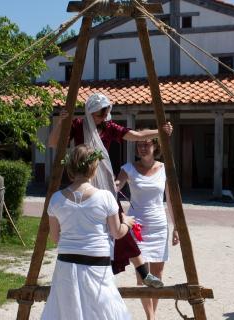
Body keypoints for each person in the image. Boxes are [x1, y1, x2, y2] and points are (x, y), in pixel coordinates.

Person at [48, 93, 172, 287]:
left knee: (120, 223)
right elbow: (54, 143)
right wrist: (60, 122)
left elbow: (136, 136)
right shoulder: (78, 125)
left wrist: (160, 132)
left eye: (105, 113)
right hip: (81, 178)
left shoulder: (109, 127)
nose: (102, 118)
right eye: (99, 114)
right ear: (90, 113)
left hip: (103, 180)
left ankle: (143, 273)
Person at [41, 145, 132, 320]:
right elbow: (117, 232)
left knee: (68, 311)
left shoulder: (56, 198)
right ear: (94, 168)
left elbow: (55, 237)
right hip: (97, 263)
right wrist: (127, 223)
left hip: (66, 264)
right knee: (101, 311)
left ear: (70, 168)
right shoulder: (105, 197)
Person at [115, 131, 179, 320]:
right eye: (139, 144)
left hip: (159, 225)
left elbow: (172, 200)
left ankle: (153, 314)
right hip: (137, 226)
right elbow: (116, 185)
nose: (142, 148)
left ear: (155, 147)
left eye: (146, 144)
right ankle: (150, 317)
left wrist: (176, 227)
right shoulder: (128, 168)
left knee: (158, 274)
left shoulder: (165, 168)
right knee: (142, 274)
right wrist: (110, 183)